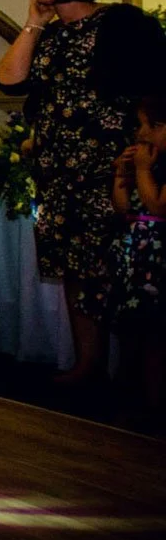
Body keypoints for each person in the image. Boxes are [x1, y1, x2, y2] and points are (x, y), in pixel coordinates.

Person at [0, 0, 166, 383]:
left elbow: (152, 86)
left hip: (109, 166)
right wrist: (34, 23)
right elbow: (9, 78)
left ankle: (132, 374)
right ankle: (87, 363)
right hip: (57, 171)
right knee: (72, 265)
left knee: (117, 269)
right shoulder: (48, 34)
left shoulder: (121, 21)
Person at [110, 95, 165, 428]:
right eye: (140, 125)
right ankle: (136, 395)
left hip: (159, 260)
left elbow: (157, 205)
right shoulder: (149, 160)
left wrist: (143, 170)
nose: (142, 134)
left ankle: (155, 405)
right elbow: (122, 207)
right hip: (138, 255)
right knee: (136, 330)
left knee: (158, 335)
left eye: (153, 126)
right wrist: (122, 173)